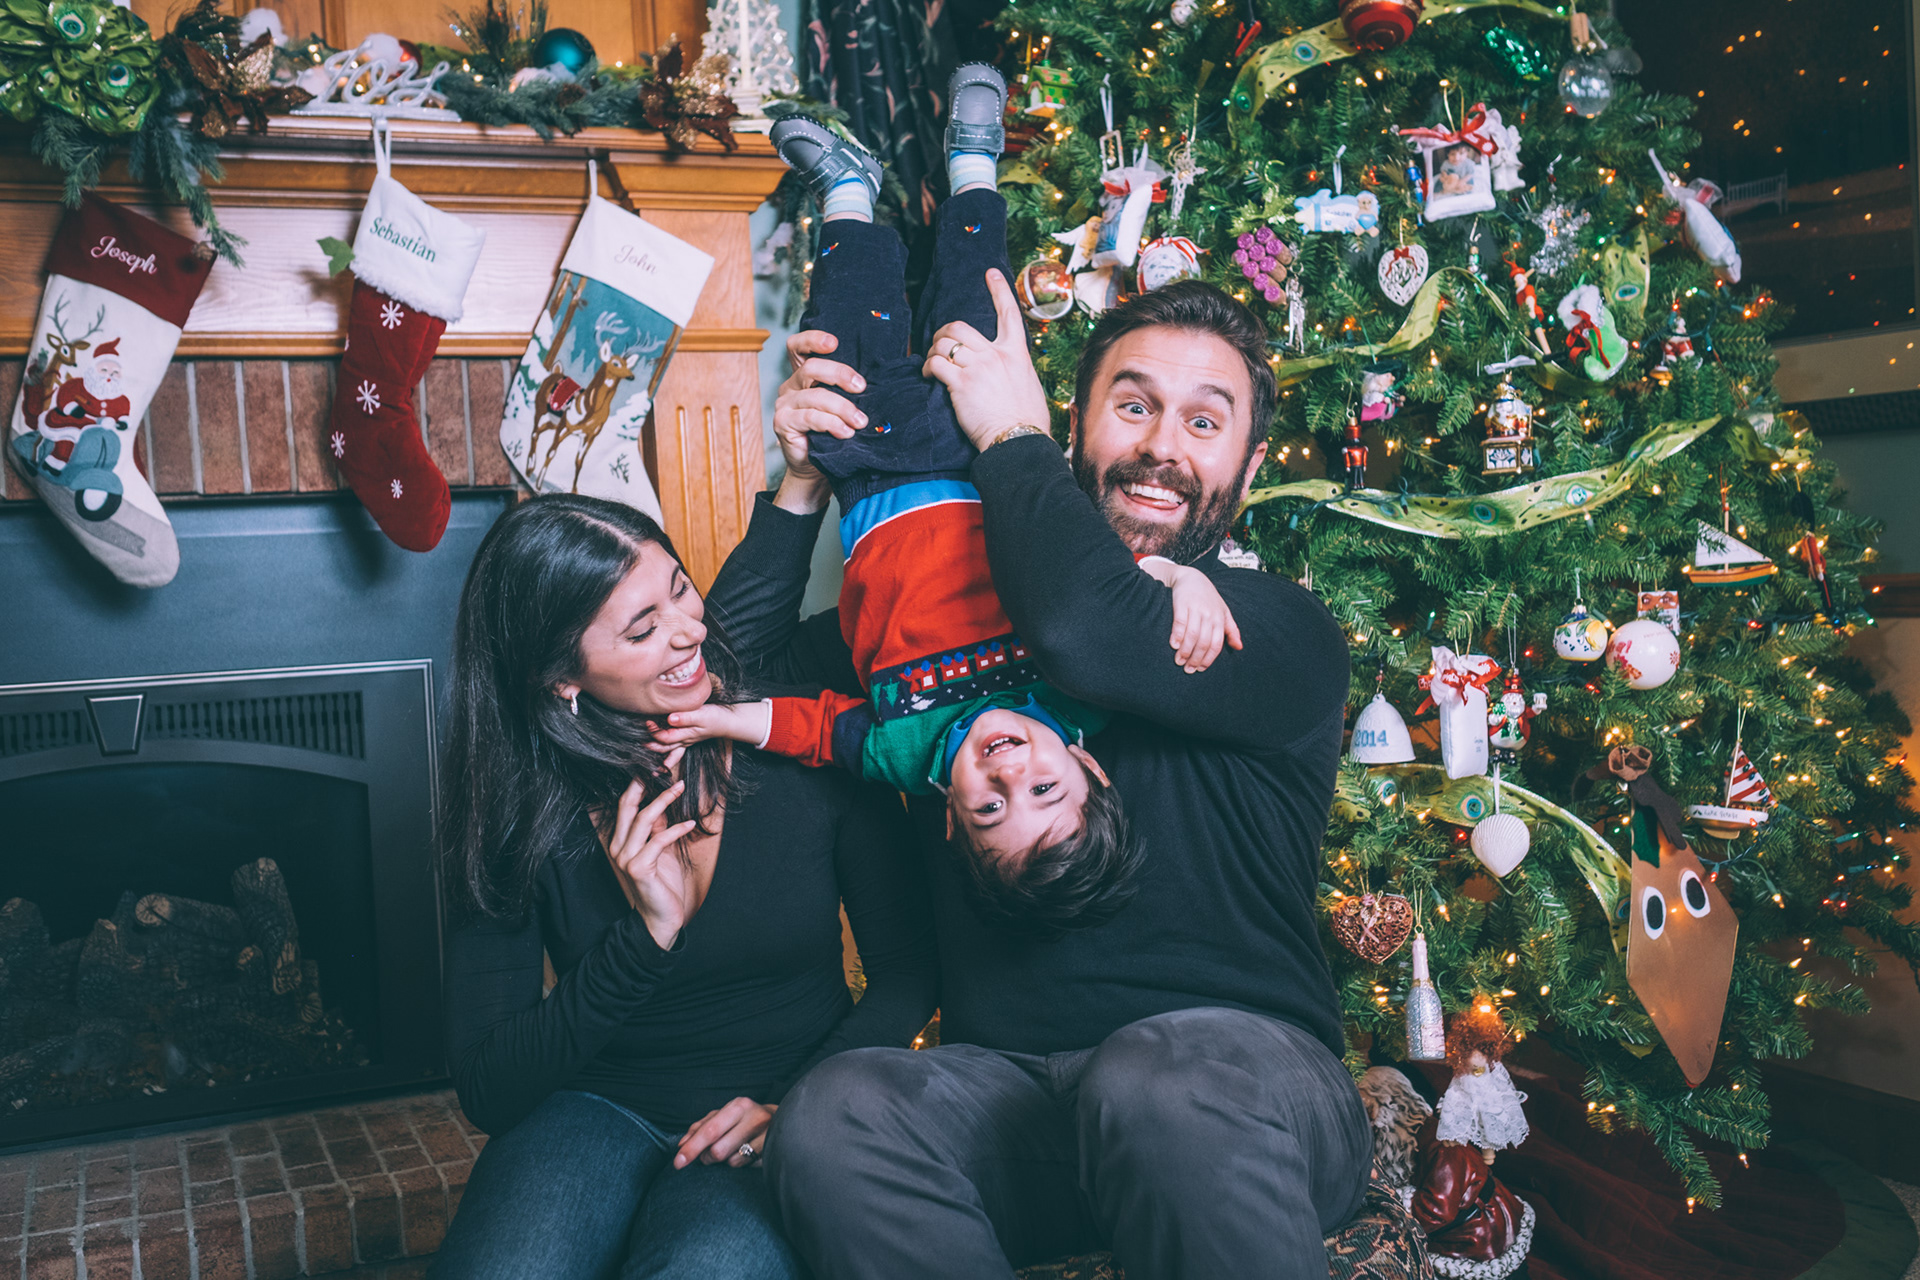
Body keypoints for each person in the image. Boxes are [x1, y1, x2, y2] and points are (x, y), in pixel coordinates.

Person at [707, 249, 1371, 1274]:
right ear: (1076, 429)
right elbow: (723, 671)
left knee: (1156, 1078)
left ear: (1247, 470)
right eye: (1133, 407)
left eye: (1204, 423)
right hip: (1020, 1104)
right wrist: (801, 482)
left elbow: (1087, 634)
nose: (1161, 448)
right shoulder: (949, 634)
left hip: (1251, 1093)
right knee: (837, 1114)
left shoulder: (1271, 629)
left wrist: (1007, 435)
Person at [651, 69, 1237, 936]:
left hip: (872, 480)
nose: (1009, 775)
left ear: (952, 823)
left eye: (991, 809)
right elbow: (1115, 585)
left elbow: (814, 728)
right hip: (975, 456)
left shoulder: (901, 754)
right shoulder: (1083, 695)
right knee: (974, 304)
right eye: (1045, 789)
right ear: (1088, 766)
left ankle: (848, 192)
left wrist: (718, 717)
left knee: (841, 339)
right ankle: (974, 166)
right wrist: (1187, 581)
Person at [430, 494, 937, 1280]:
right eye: (642, 630)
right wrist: (645, 940)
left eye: (680, 588)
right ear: (560, 676)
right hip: (595, 1107)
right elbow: (489, 1089)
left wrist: (799, 1106)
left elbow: (907, 972)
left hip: (778, 1097)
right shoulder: (518, 798)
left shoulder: (795, 733)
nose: (690, 631)